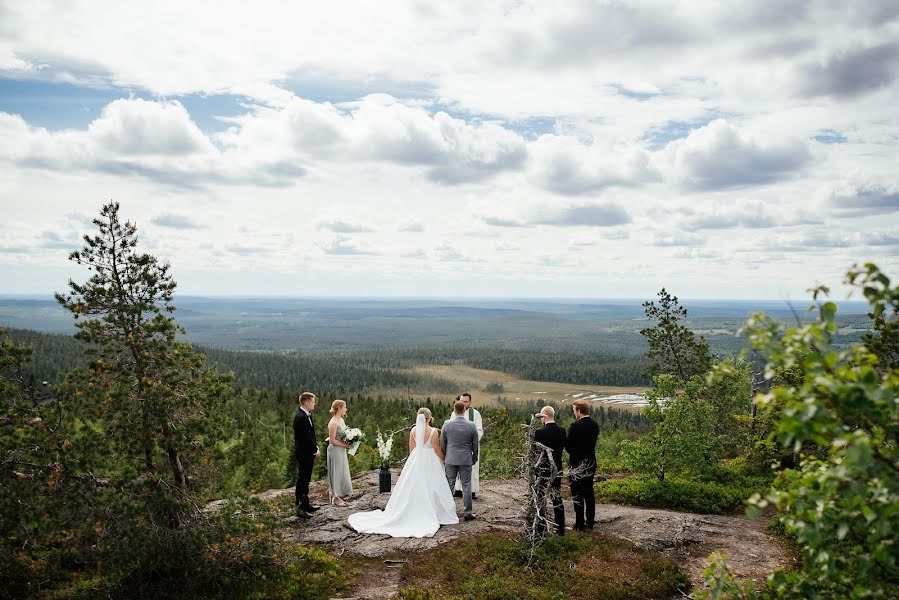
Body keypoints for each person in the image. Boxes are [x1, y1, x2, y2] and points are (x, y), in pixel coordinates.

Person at [348, 408, 458, 537]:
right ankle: (435, 511)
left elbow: (411, 449)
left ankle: (412, 509)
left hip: (416, 458)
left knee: (412, 485)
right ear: (429, 418)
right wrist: (443, 459)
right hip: (430, 460)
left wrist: (415, 461)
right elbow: (436, 448)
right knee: (432, 485)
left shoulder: (413, 430)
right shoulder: (433, 431)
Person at [442, 400, 480, 521]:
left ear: (454, 410)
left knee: (449, 484)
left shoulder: (446, 424)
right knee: (467, 485)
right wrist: (474, 458)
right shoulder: (472, 425)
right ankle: (468, 512)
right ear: (464, 410)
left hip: (450, 458)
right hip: (465, 459)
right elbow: (475, 445)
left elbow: (443, 443)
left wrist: (445, 455)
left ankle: (448, 511)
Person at [565, 399, 599, 531]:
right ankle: (590, 522)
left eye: (574, 410)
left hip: (577, 463)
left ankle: (579, 523)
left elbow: (568, 447)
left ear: (579, 411)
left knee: (577, 492)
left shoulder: (575, 426)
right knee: (589, 492)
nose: (574, 413)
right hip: (590, 461)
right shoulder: (595, 425)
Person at [534, 405, 566, 536]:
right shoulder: (562, 431)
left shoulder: (539, 433)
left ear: (544, 417)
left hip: (542, 470)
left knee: (540, 498)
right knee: (557, 498)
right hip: (557, 468)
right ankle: (560, 529)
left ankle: (540, 527)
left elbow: (535, 453)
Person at [293, 391, 321, 518]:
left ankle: (306, 504)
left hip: (308, 453)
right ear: (307, 402)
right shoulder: (300, 418)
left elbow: (311, 436)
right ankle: (300, 507)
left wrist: (316, 447)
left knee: (306, 479)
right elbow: (304, 439)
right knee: (302, 480)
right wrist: (314, 450)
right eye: (313, 401)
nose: (314, 404)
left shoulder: (307, 416)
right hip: (304, 454)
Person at [450, 392, 483, 499]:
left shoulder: (476, 414)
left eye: (466, 401)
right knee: (457, 468)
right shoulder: (454, 413)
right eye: (462, 401)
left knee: (472, 469)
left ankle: (471, 491)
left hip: (470, 446)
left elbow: (479, 430)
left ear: (470, 402)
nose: (463, 404)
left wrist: (470, 440)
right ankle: (458, 489)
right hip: (458, 446)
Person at [327, 399, 353, 506]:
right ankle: (335, 497)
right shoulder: (333, 423)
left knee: (342, 471)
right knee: (336, 472)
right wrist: (346, 445)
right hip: (335, 450)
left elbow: (344, 434)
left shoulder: (341, 420)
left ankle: (340, 494)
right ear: (339, 408)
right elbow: (332, 440)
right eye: (344, 407)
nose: (346, 409)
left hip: (341, 450)